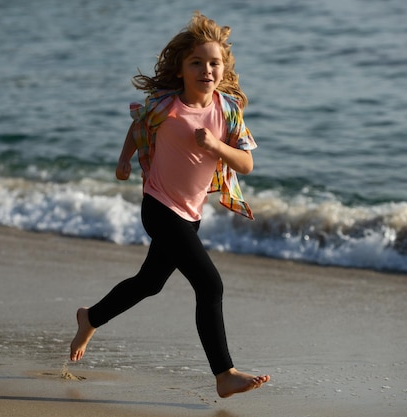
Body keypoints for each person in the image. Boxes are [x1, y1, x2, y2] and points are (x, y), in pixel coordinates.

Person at [70, 12, 269, 398]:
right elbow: (137, 125)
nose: (206, 69)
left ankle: (89, 317)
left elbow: (246, 162)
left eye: (214, 63)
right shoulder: (166, 107)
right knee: (210, 285)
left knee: (149, 283)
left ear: (223, 68)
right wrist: (124, 159)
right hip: (159, 206)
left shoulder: (227, 111)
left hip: (190, 213)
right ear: (180, 70)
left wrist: (215, 146)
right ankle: (224, 373)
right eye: (196, 62)